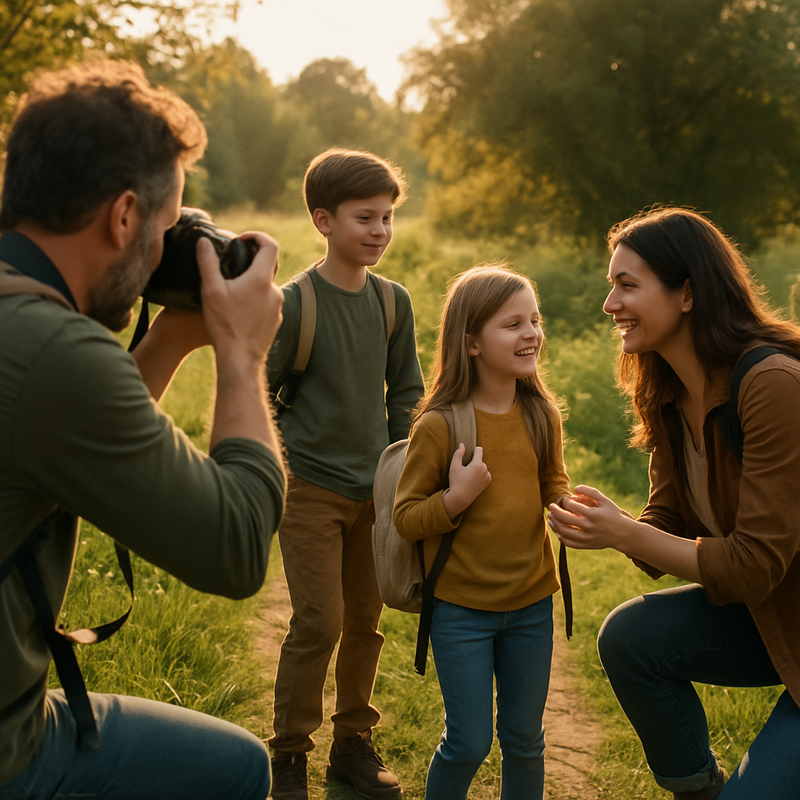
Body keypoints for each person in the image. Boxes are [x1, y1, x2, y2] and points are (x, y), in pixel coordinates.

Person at [0, 61, 287, 800]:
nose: (163, 251)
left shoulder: (27, 330)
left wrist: (172, 338)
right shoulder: (55, 352)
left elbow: (70, 433)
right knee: (237, 768)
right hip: (10, 749)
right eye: (166, 229)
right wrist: (241, 354)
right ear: (123, 217)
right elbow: (236, 546)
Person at [547, 206, 800, 800]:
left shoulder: (772, 385)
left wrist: (625, 534)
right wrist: (596, 518)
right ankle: (698, 789)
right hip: (774, 617)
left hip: (779, 604)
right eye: (613, 285)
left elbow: (752, 565)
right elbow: (665, 525)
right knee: (631, 637)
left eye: (627, 285)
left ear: (687, 293)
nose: (610, 304)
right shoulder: (666, 389)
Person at [266, 147, 424, 800]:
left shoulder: (393, 302)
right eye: (366, 218)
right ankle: (289, 756)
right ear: (323, 220)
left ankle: (351, 746)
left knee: (367, 620)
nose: (380, 231)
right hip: (308, 491)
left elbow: (406, 392)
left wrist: (400, 478)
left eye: (387, 218)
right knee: (319, 623)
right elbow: (260, 392)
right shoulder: (294, 304)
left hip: (375, 498)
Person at [393, 264, 571, 800]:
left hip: (532, 604)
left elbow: (551, 482)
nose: (531, 334)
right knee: (468, 743)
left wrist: (567, 507)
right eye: (512, 324)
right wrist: (455, 498)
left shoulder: (542, 414)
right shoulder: (440, 425)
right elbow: (405, 516)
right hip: (460, 610)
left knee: (524, 740)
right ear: (471, 342)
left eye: (534, 320)